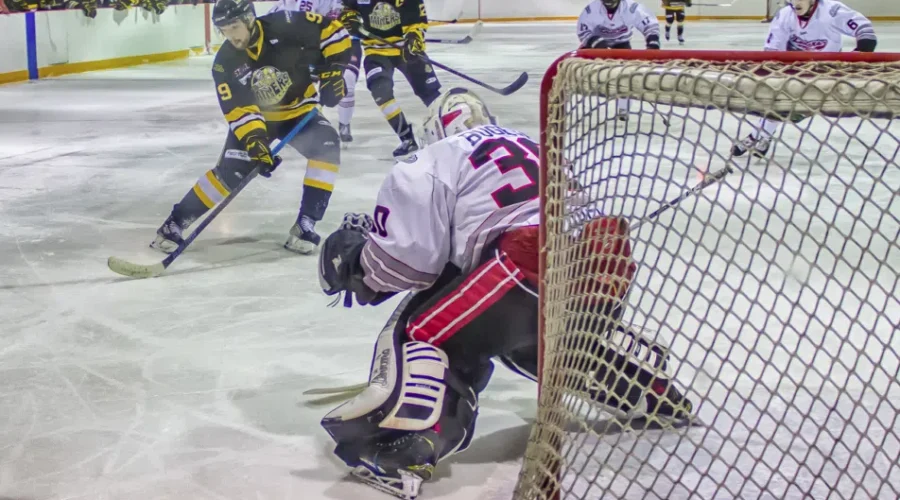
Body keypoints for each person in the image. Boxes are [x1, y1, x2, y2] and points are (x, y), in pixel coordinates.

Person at [314, 87, 694, 499]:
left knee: (425, 330)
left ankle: (405, 451)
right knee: (527, 339)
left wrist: (356, 264)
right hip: (605, 261)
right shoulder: (529, 144)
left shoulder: (433, 159)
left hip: (525, 263)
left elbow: (407, 263)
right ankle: (650, 389)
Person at [151, 0, 351, 255]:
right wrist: (255, 142)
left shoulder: (285, 25)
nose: (230, 35)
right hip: (259, 119)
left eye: (234, 26)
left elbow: (334, 32)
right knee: (233, 171)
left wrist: (334, 71)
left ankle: (305, 223)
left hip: (299, 111)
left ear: (249, 19)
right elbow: (240, 110)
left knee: (327, 147)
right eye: (224, 29)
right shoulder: (225, 63)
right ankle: (175, 224)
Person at [733, 0, 876, 158]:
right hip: (793, 68)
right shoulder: (785, 15)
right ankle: (761, 136)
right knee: (775, 102)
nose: (796, 2)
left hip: (824, 73)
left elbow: (867, 34)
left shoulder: (832, 11)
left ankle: (758, 136)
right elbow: (772, 51)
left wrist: (852, 61)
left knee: (787, 109)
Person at [339, 0, 442, 157]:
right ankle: (407, 139)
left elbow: (417, 22)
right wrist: (350, 18)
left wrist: (414, 39)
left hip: (404, 50)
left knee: (430, 93)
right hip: (375, 52)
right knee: (381, 92)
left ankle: (452, 130)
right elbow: (347, 8)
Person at [268, 0, 363, 145]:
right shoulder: (286, 7)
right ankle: (302, 125)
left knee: (347, 80)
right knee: (300, 88)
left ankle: (344, 124)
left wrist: (353, 17)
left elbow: (361, 9)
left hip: (343, 41)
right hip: (312, 48)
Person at [577, 0, 660, 121]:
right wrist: (596, 43)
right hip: (597, 45)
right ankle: (580, 101)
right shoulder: (591, 9)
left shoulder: (632, 8)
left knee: (625, 76)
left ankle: (623, 108)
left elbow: (650, 25)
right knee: (584, 73)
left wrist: (652, 42)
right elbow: (583, 31)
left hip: (621, 44)